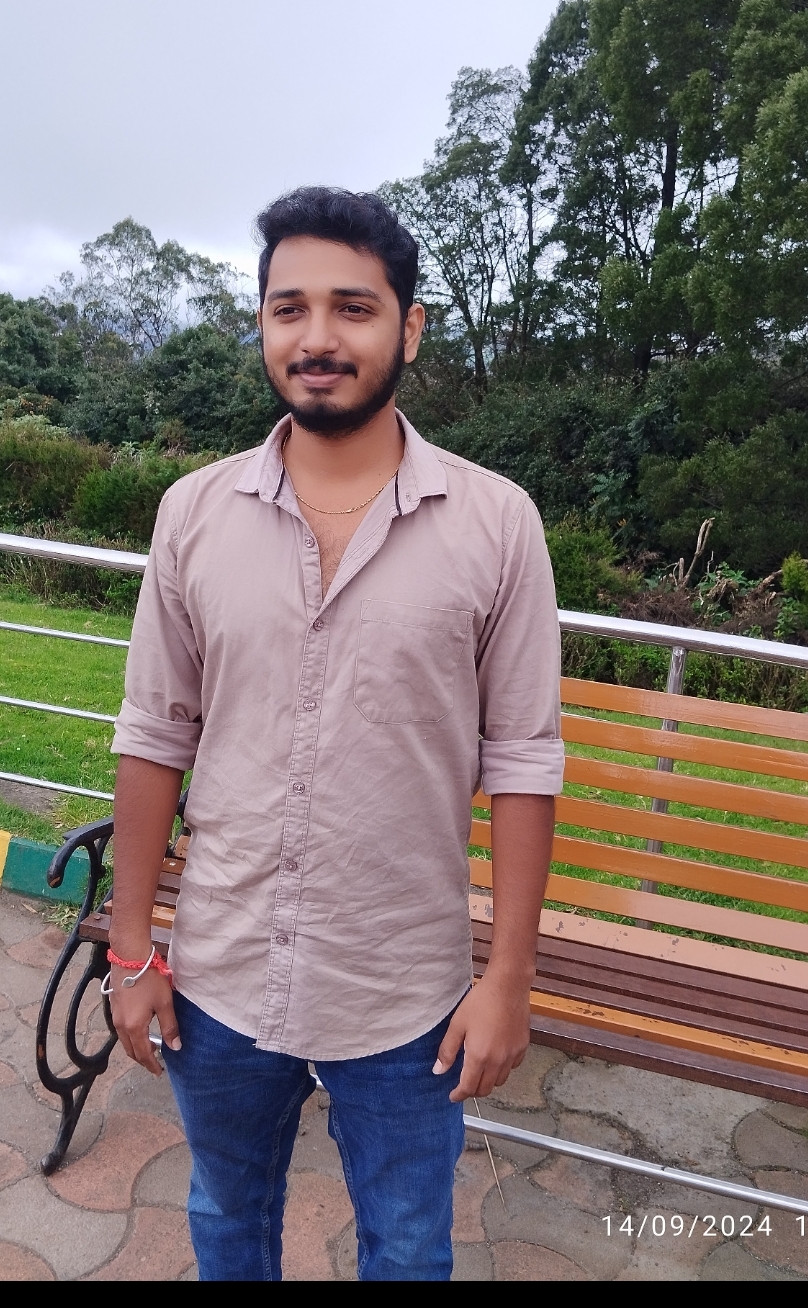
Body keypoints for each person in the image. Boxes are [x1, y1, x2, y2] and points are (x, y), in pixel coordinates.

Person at [106, 187, 563, 1281]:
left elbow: (524, 757)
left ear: (410, 328)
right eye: (289, 308)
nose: (317, 338)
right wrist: (130, 953)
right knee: (226, 1215)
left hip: (405, 988)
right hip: (220, 971)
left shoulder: (496, 523)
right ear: (264, 325)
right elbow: (156, 733)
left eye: (353, 308)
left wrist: (507, 979)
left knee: (407, 1246)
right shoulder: (193, 514)